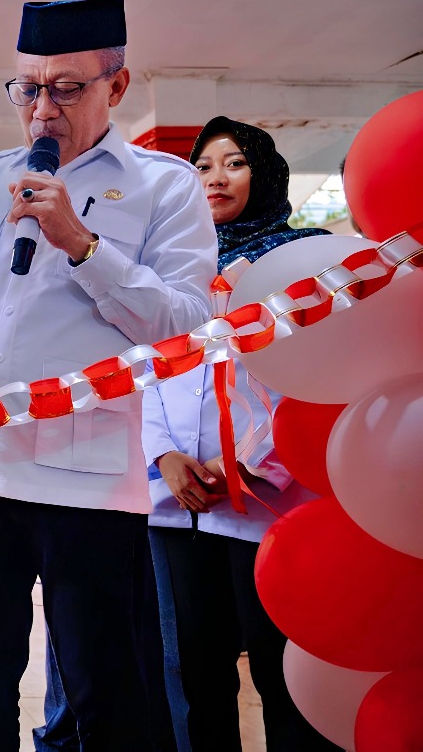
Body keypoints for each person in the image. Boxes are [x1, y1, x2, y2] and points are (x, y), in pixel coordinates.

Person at [0, 0, 217, 750]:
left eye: (67, 88)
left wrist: (80, 242)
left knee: (108, 696)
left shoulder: (165, 188)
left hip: (91, 485)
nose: (44, 109)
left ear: (118, 84)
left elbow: (184, 328)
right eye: (29, 88)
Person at [145, 117, 337, 751]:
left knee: (283, 672)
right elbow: (143, 373)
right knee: (194, 675)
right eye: (202, 166)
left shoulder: (303, 261)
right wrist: (164, 457)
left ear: (266, 174)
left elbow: (316, 380)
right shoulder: (169, 269)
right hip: (182, 508)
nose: (216, 178)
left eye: (234, 163)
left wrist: (255, 461)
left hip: (269, 504)